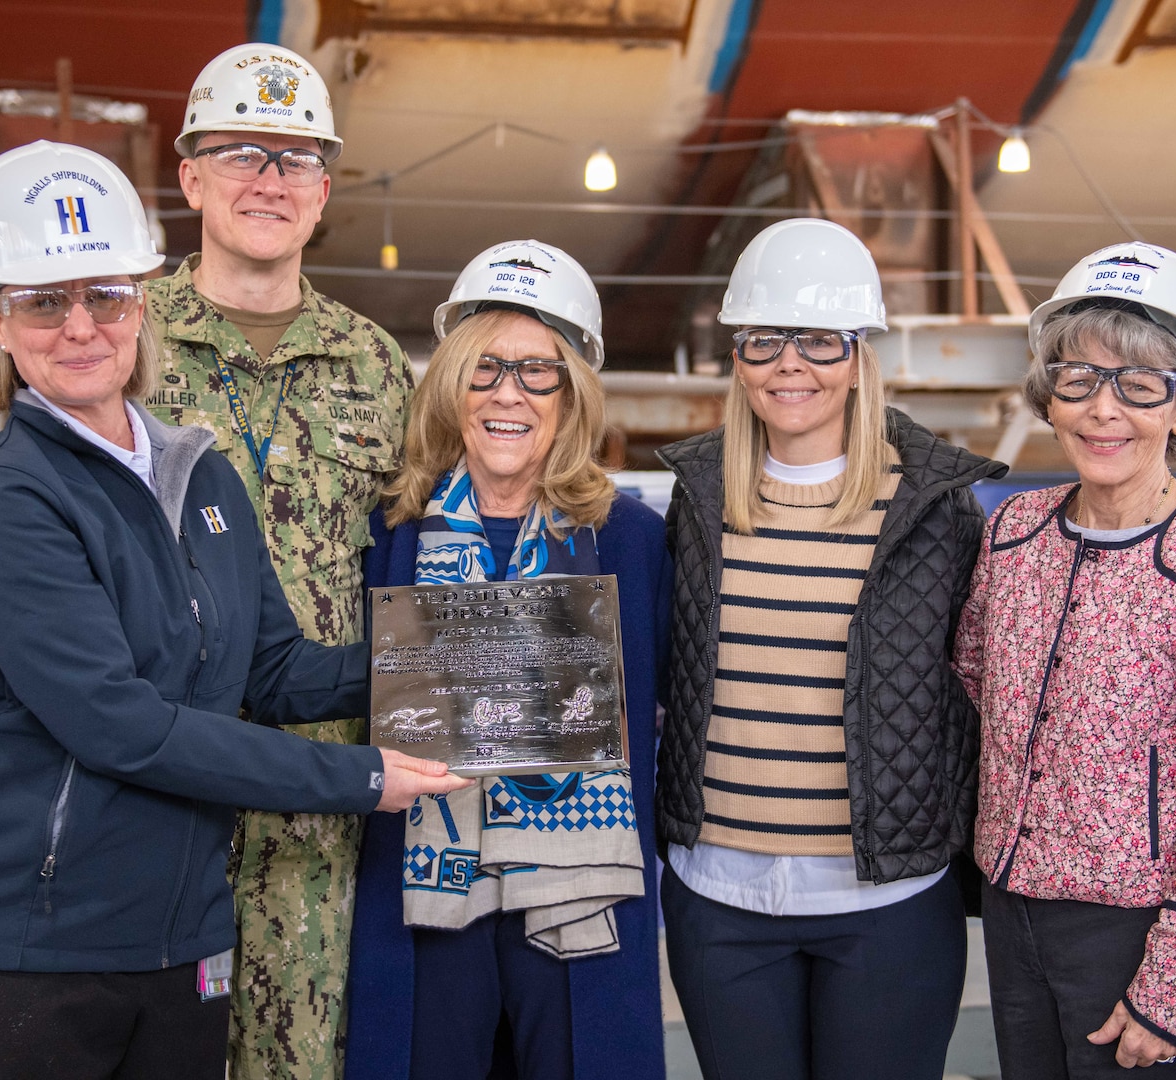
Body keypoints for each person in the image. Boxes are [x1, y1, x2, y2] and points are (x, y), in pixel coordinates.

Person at [0, 141, 466, 1080]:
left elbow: (277, 672)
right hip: (20, 954)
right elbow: (123, 729)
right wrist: (360, 779)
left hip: (179, 946)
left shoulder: (203, 477)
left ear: (141, 301)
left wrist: (470, 651)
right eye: (43, 300)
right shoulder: (12, 502)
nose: (80, 327)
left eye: (105, 295)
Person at [655, 217, 1007, 1080]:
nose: (789, 365)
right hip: (719, 895)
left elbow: (979, 690)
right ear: (736, 357)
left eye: (818, 340)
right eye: (763, 341)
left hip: (886, 903)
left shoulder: (934, 507)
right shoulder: (699, 496)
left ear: (859, 354)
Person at [954, 241, 1176, 1078]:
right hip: (1014, 913)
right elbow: (974, 684)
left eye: (1141, 384)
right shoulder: (1014, 532)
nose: (1104, 409)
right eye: (1078, 378)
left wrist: (1175, 990)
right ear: (1050, 395)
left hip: (1141, 932)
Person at [143, 43, 416, 1080]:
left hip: (327, 802)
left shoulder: (375, 364)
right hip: (161, 782)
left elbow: (414, 557)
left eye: (295, 158)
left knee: (312, 1058)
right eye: (241, 151)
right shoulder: (125, 346)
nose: (269, 177)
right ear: (190, 174)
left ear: (324, 190)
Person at [344, 239, 670, 1080]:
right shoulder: (392, 535)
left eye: (537, 372)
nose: (508, 395)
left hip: (578, 894)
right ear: (453, 384)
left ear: (572, 394)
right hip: (425, 886)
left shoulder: (630, 542)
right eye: (485, 370)